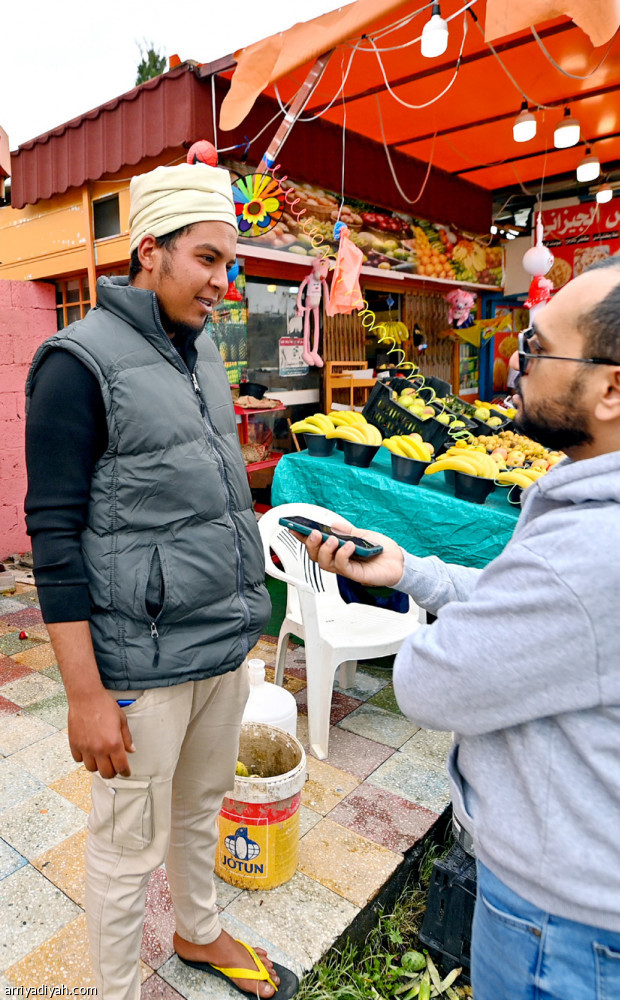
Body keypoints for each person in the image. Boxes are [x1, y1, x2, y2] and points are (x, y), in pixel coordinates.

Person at [296, 255, 620, 1000]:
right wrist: (414, 572)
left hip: (580, 937)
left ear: (615, 389)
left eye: (537, 348)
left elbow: (429, 682)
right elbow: (555, 613)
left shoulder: (604, 547)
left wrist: (418, 624)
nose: (517, 366)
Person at [25, 162, 298, 1000]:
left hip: (218, 643)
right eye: (209, 261)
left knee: (200, 805)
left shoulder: (204, 351)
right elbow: (55, 538)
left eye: (230, 264)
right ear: (152, 250)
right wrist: (83, 695)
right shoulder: (77, 364)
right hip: (139, 664)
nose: (224, 283)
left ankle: (199, 932)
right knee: (124, 843)